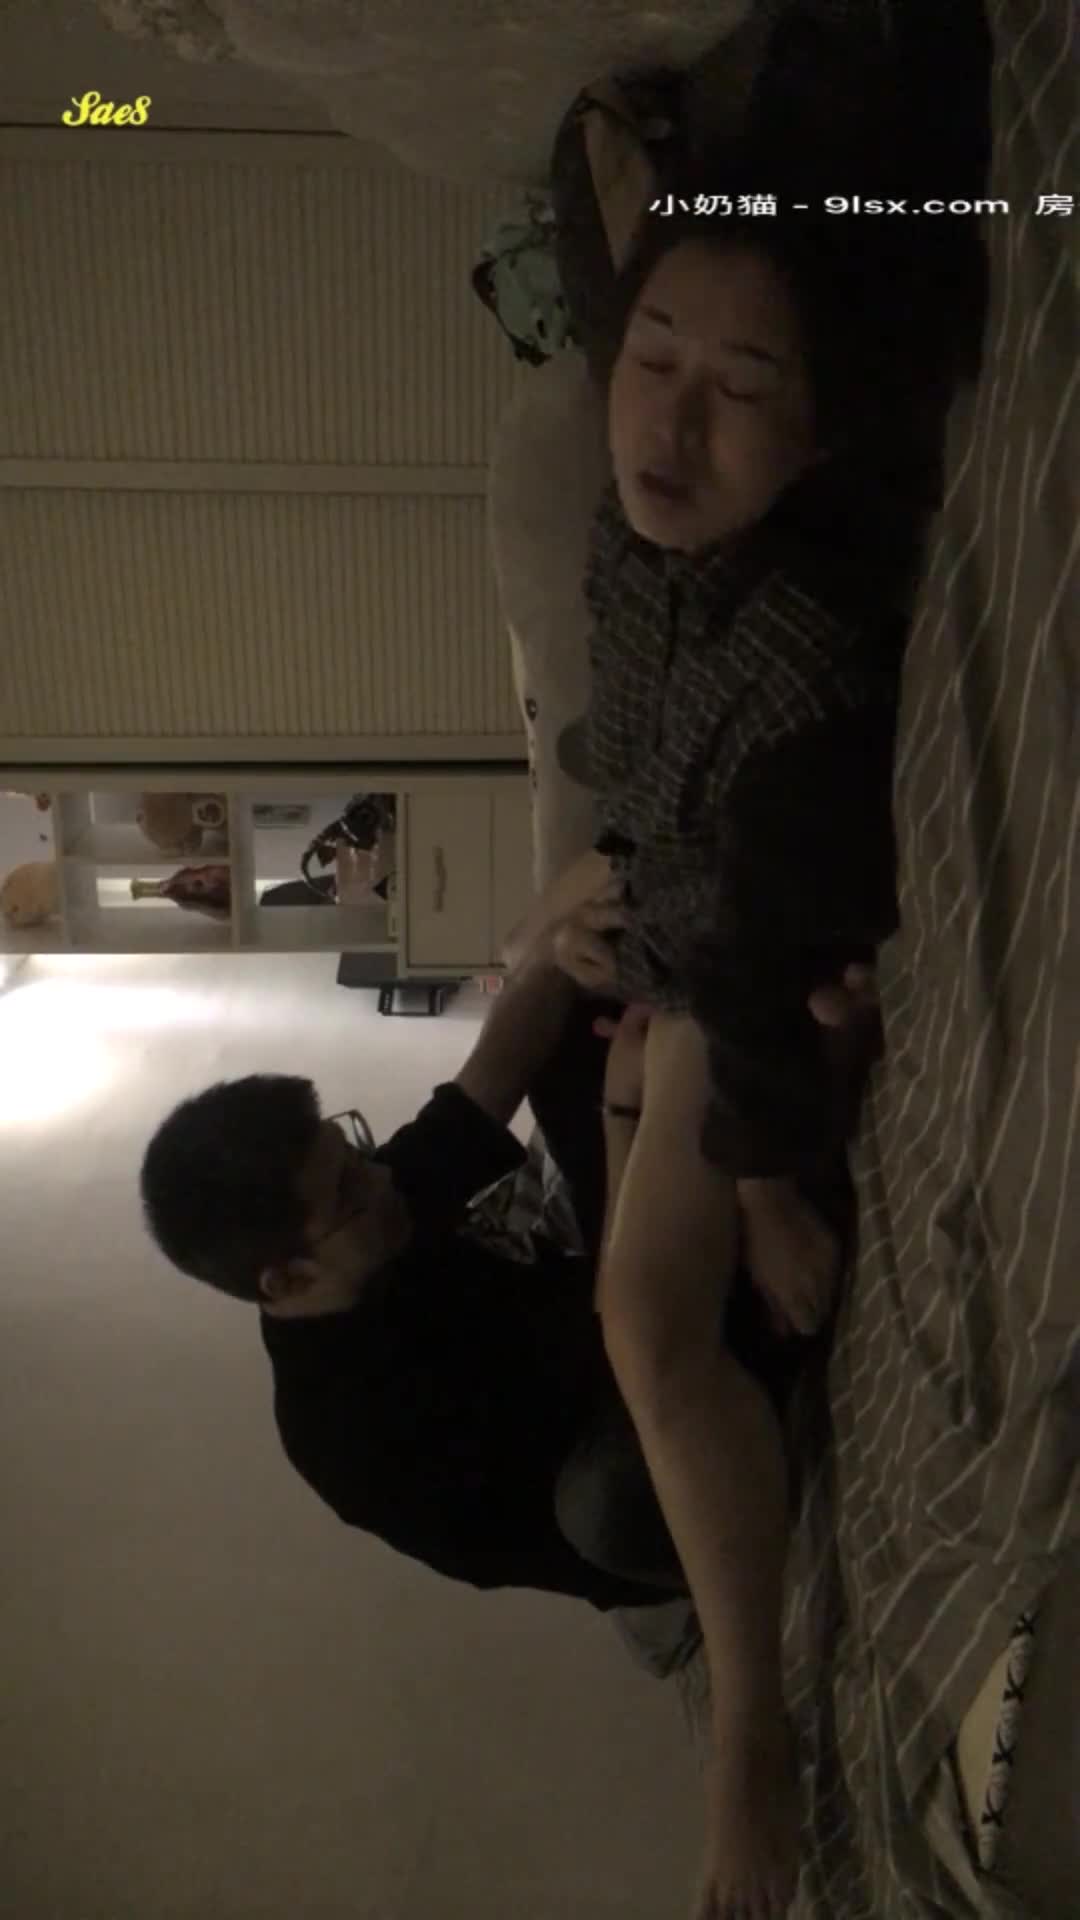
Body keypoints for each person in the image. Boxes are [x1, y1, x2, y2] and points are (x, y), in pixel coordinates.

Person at [501, 160, 976, 1913]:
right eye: (652, 362)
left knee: (643, 1315)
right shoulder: (632, 539)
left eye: (741, 389)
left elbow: (766, 956)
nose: (671, 425)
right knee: (620, 1198)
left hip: (735, 975)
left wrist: (769, 1181)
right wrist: (589, 886)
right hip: (673, 932)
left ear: (821, 432)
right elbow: (637, 767)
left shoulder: (805, 670)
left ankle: (752, 1727)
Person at [138, 918, 879, 1619]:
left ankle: (764, 1070)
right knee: (605, 1502)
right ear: (288, 1280)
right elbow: (631, 1345)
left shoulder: (373, 1209)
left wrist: (559, 949)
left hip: (628, 1300)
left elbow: (488, 1078)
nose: (383, 1177)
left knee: (568, 1027)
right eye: (350, 1191)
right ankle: (778, 1121)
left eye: (355, 1150)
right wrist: (627, 1119)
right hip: (653, 1459)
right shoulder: (353, 1434)